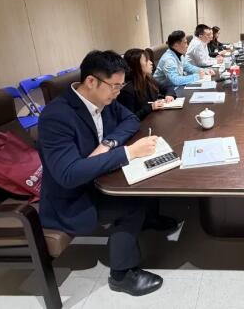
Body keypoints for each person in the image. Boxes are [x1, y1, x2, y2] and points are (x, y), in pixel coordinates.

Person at [38, 50, 166, 296]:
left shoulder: (104, 100)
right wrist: (128, 152)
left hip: (97, 178)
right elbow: (68, 174)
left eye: (121, 86)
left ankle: (149, 221)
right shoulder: (56, 116)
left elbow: (131, 120)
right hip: (72, 197)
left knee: (148, 179)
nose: (118, 92)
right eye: (115, 86)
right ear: (91, 81)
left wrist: (108, 144)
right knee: (131, 204)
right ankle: (122, 275)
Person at [118, 48, 176, 120]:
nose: (151, 63)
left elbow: (167, 86)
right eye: (146, 60)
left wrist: (169, 95)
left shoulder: (148, 79)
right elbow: (129, 118)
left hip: (154, 119)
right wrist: (150, 107)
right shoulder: (127, 90)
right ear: (136, 65)